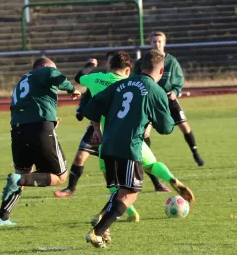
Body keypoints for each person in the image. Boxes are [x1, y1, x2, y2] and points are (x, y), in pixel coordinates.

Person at [82, 50, 195, 248]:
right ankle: (96, 233)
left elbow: (92, 107)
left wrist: (97, 129)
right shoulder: (155, 90)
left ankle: (102, 227)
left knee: (119, 192)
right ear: (161, 70)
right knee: (130, 193)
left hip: (107, 145)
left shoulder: (120, 84)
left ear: (140, 67)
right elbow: (166, 128)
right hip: (129, 146)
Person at [53, 51, 169, 202]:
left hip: (110, 126)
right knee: (83, 156)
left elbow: (79, 79)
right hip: (104, 125)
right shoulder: (129, 82)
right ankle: (71, 188)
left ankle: (155, 184)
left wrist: (88, 66)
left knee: (137, 159)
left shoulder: (102, 79)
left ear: (110, 65)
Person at [0, 57, 81, 226]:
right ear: (44, 67)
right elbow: (56, 75)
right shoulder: (45, 71)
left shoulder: (22, 82)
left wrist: (49, 119)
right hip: (39, 128)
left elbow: (28, 105)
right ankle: (18, 180)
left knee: (23, 172)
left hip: (18, 131)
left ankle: (3, 217)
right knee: (60, 177)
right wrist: (72, 89)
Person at [134, 31, 205, 168]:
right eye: (154, 41)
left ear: (164, 43)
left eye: (160, 41)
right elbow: (136, 79)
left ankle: (195, 153)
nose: (157, 44)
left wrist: (175, 92)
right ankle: (146, 159)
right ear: (150, 43)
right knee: (146, 132)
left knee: (184, 126)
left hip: (168, 99)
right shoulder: (142, 62)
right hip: (150, 100)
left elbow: (179, 81)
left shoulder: (171, 62)